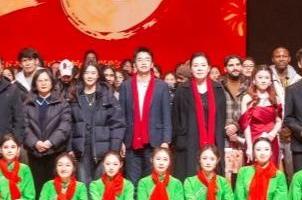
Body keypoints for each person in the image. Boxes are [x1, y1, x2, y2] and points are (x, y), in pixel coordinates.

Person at [118, 47, 173, 183]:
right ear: (134, 64)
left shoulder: (161, 86)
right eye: (140, 60)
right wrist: (121, 141)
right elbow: (121, 116)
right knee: (132, 183)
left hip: (154, 141)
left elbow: (167, 115)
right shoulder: (126, 86)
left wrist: (166, 140)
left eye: (147, 59)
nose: (143, 62)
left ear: (152, 64)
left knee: (151, 183)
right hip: (131, 142)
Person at [172, 54, 228, 178]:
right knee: (189, 177)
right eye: (196, 65)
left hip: (213, 141)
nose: (199, 68)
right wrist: (179, 139)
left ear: (208, 68)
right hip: (189, 142)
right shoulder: (182, 89)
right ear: (191, 69)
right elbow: (175, 118)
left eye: (203, 65)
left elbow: (222, 117)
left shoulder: (217, 89)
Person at [69, 63, 124, 182]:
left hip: (104, 150)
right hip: (81, 150)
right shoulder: (74, 95)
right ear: (82, 75)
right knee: (83, 185)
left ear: (98, 75)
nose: (90, 76)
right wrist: (70, 148)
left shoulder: (106, 95)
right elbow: (70, 125)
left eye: (93, 73)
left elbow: (117, 125)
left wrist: (113, 151)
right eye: (87, 73)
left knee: (100, 186)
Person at [22, 69, 72, 189]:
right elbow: (24, 126)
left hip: (55, 152)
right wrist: (36, 143)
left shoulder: (62, 103)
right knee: (37, 188)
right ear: (35, 83)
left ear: (52, 82)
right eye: (40, 80)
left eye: (46, 80)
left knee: (55, 189)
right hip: (35, 153)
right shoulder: (28, 104)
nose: (43, 83)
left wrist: (50, 142)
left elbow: (64, 126)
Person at [240, 69, 283, 168]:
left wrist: (273, 132)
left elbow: (279, 120)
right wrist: (249, 146)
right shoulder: (247, 98)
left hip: (271, 139)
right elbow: (245, 125)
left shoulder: (275, 99)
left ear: (270, 81)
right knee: (253, 171)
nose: (263, 80)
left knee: (271, 170)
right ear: (254, 80)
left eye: (267, 78)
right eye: (260, 77)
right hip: (253, 138)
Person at [221, 56, 248, 180]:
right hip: (224, 136)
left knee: (242, 175)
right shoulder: (219, 85)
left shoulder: (249, 84)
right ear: (225, 68)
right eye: (231, 65)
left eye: (237, 64)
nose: (235, 67)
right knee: (225, 174)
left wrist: (236, 126)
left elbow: (252, 110)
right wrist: (227, 128)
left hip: (244, 136)